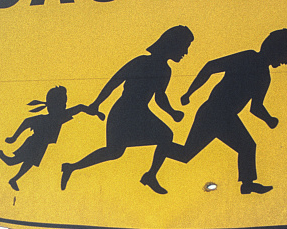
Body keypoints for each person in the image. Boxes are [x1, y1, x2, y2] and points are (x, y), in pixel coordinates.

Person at [140, 28, 287, 195]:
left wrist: (268, 119)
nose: (285, 62)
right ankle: (157, 160)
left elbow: (256, 107)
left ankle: (247, 184)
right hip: (213, 112)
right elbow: (211, 67)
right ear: (277, 49)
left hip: (225, 117)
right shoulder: (248, 57)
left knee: (188, 153)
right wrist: (190, 92)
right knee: (238, 147)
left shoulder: (265, 76)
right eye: (286, 56)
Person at [60, 25, 194, 191]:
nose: (185, 52)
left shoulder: (165, 70)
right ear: (173, 44)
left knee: (164, 136)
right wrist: (96, 103)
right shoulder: (141, 62)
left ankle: (151, 175)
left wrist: (172, 112)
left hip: (140, 113)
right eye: (184, 47)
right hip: (124, 111)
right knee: (114, 152)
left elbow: (159, 97)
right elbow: (115, 81)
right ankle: (71, 167)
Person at [0, 85, 101, 191]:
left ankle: (14, 179)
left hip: (42, 146)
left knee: (29, 164)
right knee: (13, 162)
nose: (64, 106)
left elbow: (79, 108)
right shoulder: (46, 119)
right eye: (61, 103)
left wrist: (95, 112)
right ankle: (1, 155)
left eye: (64, 103)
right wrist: (13, 138)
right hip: (33, 143)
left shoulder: (60, 116)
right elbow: (26, 122)